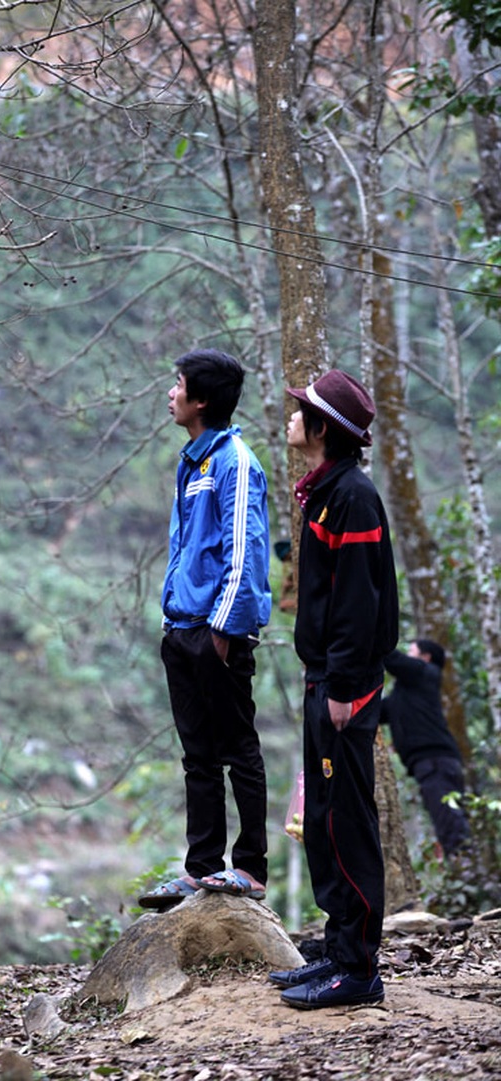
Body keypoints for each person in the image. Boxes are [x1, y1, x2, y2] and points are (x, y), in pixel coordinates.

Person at [268, 369, 398, 1009]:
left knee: (346, 821)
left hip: (345, 687)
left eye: (300, 412)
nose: (291, 418)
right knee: (321, 818)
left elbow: (359, 602)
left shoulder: (352, 497)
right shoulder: (323, 492)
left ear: (322, 429)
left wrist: (344, 686)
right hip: (325, 677)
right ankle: (338, 947)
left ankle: (358, 969)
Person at [138, 348, 272, 910]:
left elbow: (246, 551)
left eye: (177, 385)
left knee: (237, 747)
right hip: (182, 629)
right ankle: (201, 868)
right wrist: (179, 624)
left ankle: (250, 868)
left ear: (201, 400)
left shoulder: (235, 461)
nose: (170, 394)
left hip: (216, 633)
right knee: (197, 755)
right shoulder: (192, 461)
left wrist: (222, 628)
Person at [381, 639, 470, 858]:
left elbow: (392, 659)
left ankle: (468, 875)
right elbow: (377, 710)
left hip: (436, 763)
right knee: (447, 824)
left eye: (410, 652)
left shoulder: (426, 673)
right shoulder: (403, 695)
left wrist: (364, 633)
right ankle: (465, 873)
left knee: (451, 826)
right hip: (429, 766)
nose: (407, 656)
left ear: (425, 657)